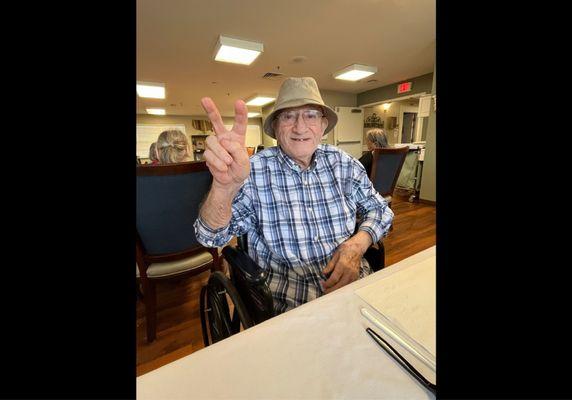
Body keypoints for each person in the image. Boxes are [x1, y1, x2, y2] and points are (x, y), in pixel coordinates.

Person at [194, 77, 393, 314]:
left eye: (310, 115)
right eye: (288, 116)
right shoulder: (253, 171)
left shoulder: (343, 164)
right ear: (276, 128)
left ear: (323, 125)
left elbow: (381, 210)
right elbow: (210, 237)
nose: (300, 127)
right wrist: (224, 188)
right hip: (289, 302)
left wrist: (357, 245)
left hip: (356, 285)